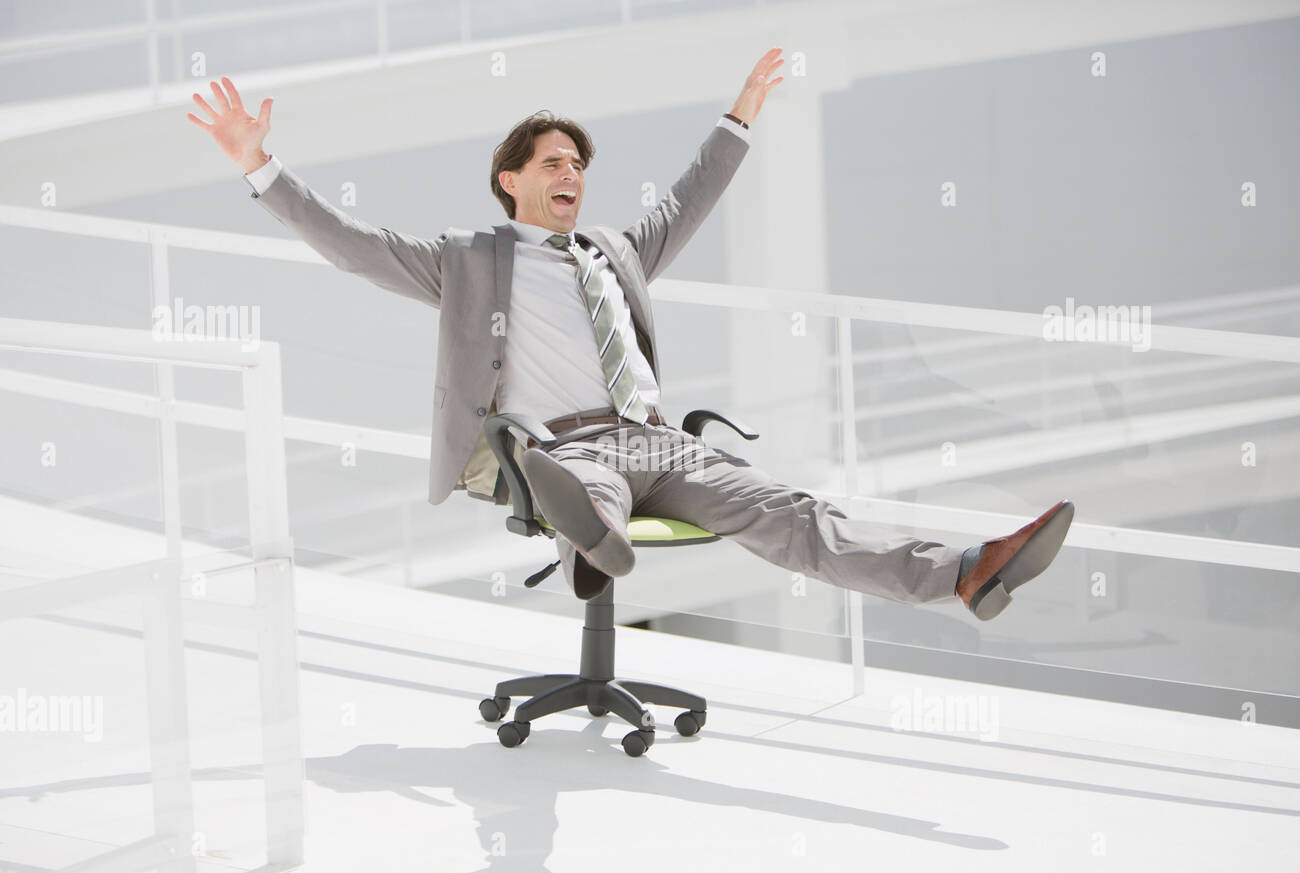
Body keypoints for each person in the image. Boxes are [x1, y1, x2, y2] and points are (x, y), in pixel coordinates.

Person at [188, 49, 1074, 620]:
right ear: (511, 181)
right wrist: (256, 164)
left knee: (794, 516)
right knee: (587, 483)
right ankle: (593, 533)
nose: (572, 173)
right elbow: (352, 247)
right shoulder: (466, 261)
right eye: (553, 163)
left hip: (660, 444)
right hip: (558, 447)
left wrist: (740, 118)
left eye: (579, 164)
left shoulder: (619, 253)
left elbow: (690, 196)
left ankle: (961, 568)